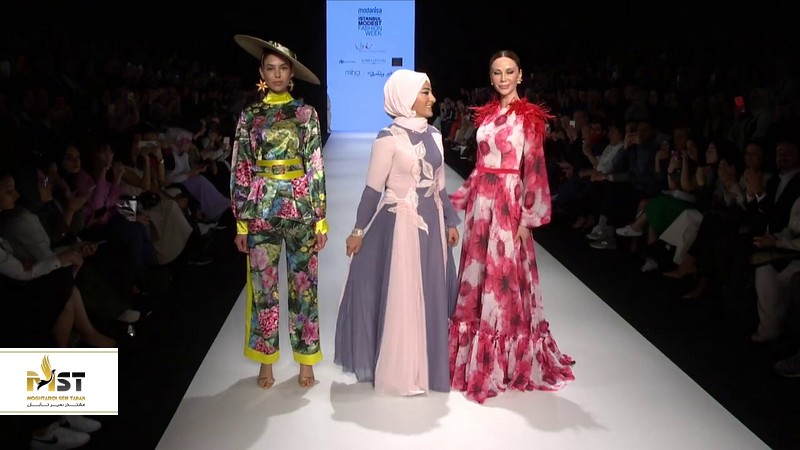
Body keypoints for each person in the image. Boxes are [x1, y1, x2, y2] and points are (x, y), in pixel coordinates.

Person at [448, 50, 575, 404]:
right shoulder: (487, 115)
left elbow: (534, 168)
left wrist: (527, 219)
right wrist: (459, 200)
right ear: (490, 77)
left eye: (509, 72)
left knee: (503, 280)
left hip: (507, 204)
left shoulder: (529, 118)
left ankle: (502, 362)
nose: (503, 78)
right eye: (497, 72)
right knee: (478, 277)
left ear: (520, 75)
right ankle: (475, 354)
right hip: (481, 207)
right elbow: (479, 165)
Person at [334, 69, 461, 396]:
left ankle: (430, 369)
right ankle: (403, 370)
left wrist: (450, 220)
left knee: (430, 292)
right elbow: (372, 190)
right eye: (425, 92)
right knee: (403, 297)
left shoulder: (435, 135)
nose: (433, 98)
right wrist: (358, 230)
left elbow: (440, 185)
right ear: (405, 97)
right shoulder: (388, 138)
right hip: (401, 227)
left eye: (430, 92)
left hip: (432, 223)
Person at [230, 35, 327, 389]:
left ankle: (306, 360)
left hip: (300, 207)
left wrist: (321, 218)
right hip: (261, 208)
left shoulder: (306, 114)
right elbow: (241, 167)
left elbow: (315, 165)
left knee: (305, 287)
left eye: (283, 68)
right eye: (270, 68)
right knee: (263, 288)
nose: (276, 74)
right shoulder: (250, 116)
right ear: (261, 72)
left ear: (292, 73)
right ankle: (266, 360)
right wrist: (241, 223)